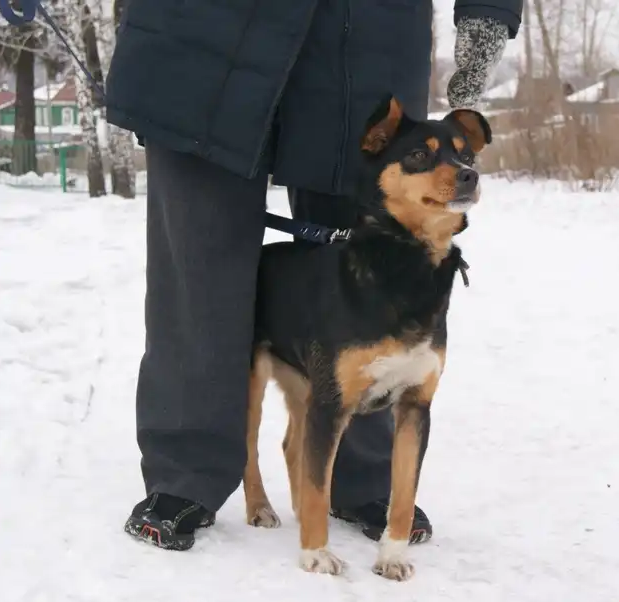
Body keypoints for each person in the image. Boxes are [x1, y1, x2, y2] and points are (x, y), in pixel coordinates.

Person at [104, 0, 522, 551]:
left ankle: (362, 475)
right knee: (197, 270)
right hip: (200, 31)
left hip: (366, 32)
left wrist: (487, 14)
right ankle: (185, 472)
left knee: (371, 269)